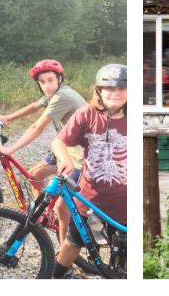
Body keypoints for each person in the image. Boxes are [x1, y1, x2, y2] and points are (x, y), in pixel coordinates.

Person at [0, 59, 86, 245]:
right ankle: (44, 212)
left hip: (81, 156)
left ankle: (64, 258)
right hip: (64, 148)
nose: (46, 85)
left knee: (62, 207)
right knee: (35, 174)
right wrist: (9, 118)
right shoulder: (53, 94)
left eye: (50, 80)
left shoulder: (63, 96)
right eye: (42, 82)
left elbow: (37, 127)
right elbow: (35, 106)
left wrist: (9, 150)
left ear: (60, 79)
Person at [50, 64, 127, 277]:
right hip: (90, 201)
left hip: (125, 207)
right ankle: (58, 276)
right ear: (99, 91)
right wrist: (64, 158)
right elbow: (58, 142)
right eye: (109, 88)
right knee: (72, 243)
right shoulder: (87, 114)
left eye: (122, 88)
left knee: (124, 259)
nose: (115, 93)